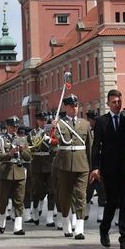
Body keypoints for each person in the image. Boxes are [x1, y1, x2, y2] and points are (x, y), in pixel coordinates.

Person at [91, 90, 125, 249]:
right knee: (112, 202)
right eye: (114, 102)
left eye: (119, 101)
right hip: (109, 169)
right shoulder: (102, 121)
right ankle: (104, 230)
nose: (117, 104)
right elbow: (96, 147)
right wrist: (95, 167)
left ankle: (124, 238)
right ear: (108, 103)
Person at [53, 95, 93, 240]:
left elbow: (89, 147)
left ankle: (80, 229)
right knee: (65, 195)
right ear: (66, 107)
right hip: (64, 164)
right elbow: (53, 141)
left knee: (81, 196)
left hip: (82, 164)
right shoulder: (59, 124)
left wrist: (92, 165)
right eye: (71, 106)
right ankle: (66, 223)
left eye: (76, 105)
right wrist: (52, 128)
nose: (75, 108)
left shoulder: (85, 124)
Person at [0, 116, 31, 235]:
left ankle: (17, 227)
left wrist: (22, 150)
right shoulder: (0, 140)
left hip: (19, 172)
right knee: (3, 199)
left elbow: (29, 157)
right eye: (12, 126)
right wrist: (9, 154)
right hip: (5, 173)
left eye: (16, 126)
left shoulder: (22, 140)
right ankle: (2, 222)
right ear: (7, 126)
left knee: (19, 200)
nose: (14, 129)